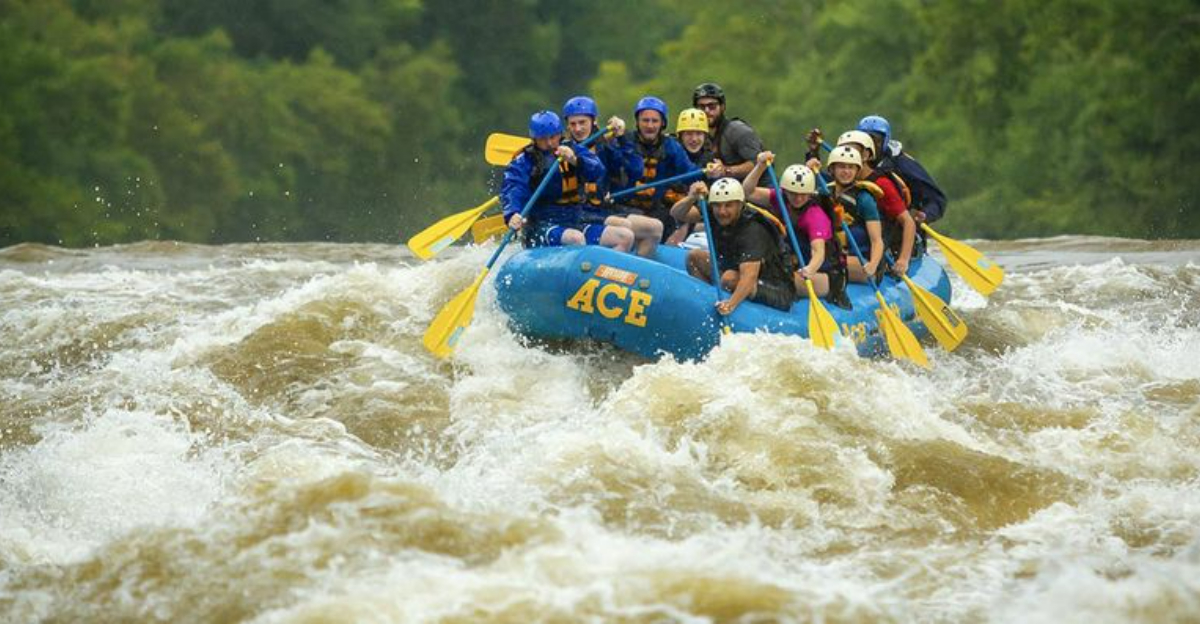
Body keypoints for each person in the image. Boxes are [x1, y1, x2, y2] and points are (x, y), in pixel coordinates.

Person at [503, 110, 633, 251]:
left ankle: (606, 272)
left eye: (553, 137)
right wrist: (513, 213)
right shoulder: (525, 161)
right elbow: (513, 188)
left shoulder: (573, 149)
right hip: (543, 224)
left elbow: (597, 171)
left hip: (576, 219)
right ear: (534, 139)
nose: (549, 143)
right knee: (575, 238)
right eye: (543, 139)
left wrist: (575, 160)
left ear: (560, 134)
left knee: (624, 237)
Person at [670, 177, 796, 314]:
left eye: (728, 205)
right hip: (735, 270)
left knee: (728, 279)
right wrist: (691, 197)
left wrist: (730, 305)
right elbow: (677, 214)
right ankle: (709, 300)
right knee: (694, 257)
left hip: (776, 289)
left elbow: (749, 277)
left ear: (740, 204)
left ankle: (731, 305)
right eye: (717, 205)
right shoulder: (713, 212)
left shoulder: (753, 229)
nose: (722, 211)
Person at [741, 152, 849, 304]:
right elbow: (747, 192)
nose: (798, 199)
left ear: (810, 193)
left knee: (782, 278)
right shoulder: (780, 198)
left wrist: (810, 269)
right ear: (785, 190)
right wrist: (759, 167)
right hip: (794, 265)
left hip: (824, 274)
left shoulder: (815, 216)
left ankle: (759, 293)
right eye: (793, 194)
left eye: (803, 194)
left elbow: (818, 252)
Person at [562, 96, 662, 257]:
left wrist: (622, 137)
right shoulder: (565, 149)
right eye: (573, 124)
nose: (578, 129)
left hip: (603, 209)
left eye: (582, 123)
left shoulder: (605, 146)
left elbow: (635, 171)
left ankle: (634, 271)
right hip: (581, 213)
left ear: (593, 122)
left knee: (655, 228)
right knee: (625, 226)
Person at [836, 130, 917, 275]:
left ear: (866, 155)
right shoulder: (839, 182)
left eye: (853, 151)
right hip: (848, 246)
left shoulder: (882, 184)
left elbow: (908, 222)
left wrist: (903, 260)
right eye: (842, 151)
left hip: (876, 248)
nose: (847, 155)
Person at [624, 96, 699, 244]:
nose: (650, 125)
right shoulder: (625, 142)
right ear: (638, 122)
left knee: (673, 216)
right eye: (645, 120)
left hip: (656, 210)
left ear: (662, 123)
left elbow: (690, 173)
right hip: (624, 207)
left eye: (655, 121)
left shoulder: (671, 147)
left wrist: (710, 174)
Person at [857, 114, 948, 225]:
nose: (870, 146)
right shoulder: (848, 164)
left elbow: (936, 199)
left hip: (898, 227)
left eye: (875, 141)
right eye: (865, 140)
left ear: (885, 141)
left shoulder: (902, 164)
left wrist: (925, 215)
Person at [825, 145, 884, 283]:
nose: (846, 172)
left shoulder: (864, 199)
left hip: (861, 260)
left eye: (851, 167)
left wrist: (873, 265)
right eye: (841, 167)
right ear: (832, 169)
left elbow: (877, 241)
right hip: (832, 255)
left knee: (829, 263)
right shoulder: (825, 194)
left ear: (857, 170)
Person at [692, 82, 764, 180]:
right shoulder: (698, 136)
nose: (706, 111)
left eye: (712, 106)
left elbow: (757, 163)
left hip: (759, 189)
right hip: (724, 190)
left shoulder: (737, 130)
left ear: (722, 107)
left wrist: (726, 171)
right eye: (701, 107)